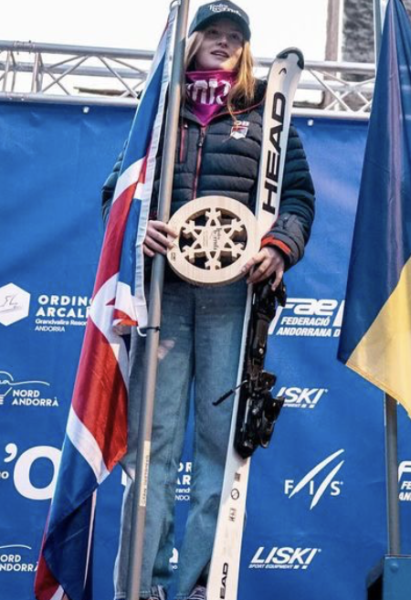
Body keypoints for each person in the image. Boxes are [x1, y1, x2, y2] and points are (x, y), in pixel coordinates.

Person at [103, 2, 315, 599]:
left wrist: (279, 246)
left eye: (234, 37)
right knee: (152, 447)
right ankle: (140, 585)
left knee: (220, 448)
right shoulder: (158, 113)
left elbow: (297, 200)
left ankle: (198, 584)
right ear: (190, 41)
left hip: (233, 300)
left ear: (245, 48)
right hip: (163, 298)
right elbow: (115, 194)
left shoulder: (267, 117)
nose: (223, 43)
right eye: (213, 33)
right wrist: (136, 229)